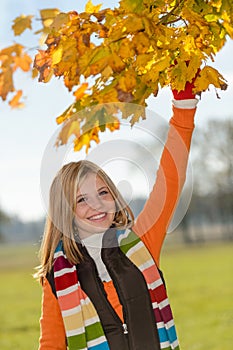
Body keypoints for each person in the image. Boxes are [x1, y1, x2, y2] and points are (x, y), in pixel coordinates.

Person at [35, 77, 199, 350]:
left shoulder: (139, 241)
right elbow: (51, 343)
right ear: (65, 212)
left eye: (103, 193)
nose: (97, 206)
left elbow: (169, 181)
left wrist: (183, 109)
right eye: (81, 200)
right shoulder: (56, 274)